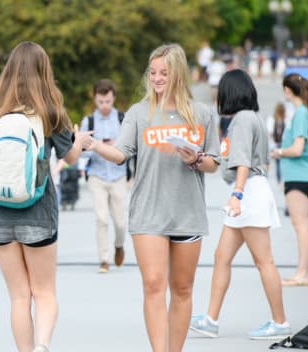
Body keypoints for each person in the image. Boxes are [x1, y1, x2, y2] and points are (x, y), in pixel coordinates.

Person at [85, 43, 220, 352]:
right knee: (154, 285)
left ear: (178, 74)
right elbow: (120, 154)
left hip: (188, 214)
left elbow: (214, 162)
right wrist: (92, 145)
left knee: (183, 289)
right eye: (153, 73)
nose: (157, 78)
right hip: (148, 214)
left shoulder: (200, 114)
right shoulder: (138, 113)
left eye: (164, 73)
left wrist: (195, 160)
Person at [0, 41, 91, 352]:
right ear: (44, 71)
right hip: (37, 212)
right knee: (43, 291)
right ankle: (42, 346)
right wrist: (79, 140)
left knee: (18, 295)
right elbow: (69, 158)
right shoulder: (50, 111)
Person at [189, 69, 290, 340]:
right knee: (221, 257)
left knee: (263, 261)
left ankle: (280, 321)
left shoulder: (243, 120)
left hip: (247, 193)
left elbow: (243, 161)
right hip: (248, 192)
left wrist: (238, 194)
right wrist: (198, 159)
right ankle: (211, 318)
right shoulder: (250, 118)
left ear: (229, 93)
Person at [270, 73, 308, 287]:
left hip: (299, 174)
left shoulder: (301, 113)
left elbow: (298, 148)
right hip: (298, 175)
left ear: (288, 90)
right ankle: (301, 272)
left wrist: (279, 152)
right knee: (299, 224)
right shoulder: (303, 112)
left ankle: (302, 273)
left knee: (300, 225)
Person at [80, 79, 128, 273]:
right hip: (97, 175)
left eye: (108, 101)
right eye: (101, 102)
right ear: (95, 100)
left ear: (113, 98)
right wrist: (97, 146)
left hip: (118, 175)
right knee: (101, 218)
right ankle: (104, 259)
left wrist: (113, 146)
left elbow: (129, 149)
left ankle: (119, 245)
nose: (104, 106)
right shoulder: (88, 121)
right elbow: (81, 152)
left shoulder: (123, 119)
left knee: (120, 222)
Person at [269, 102, 286, 183]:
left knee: (279, 162)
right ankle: (280, 179)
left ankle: (279, 179)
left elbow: (270, 132)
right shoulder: (274, 119)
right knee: (279, 162)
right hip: (279, 144)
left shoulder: (274, 119)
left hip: (279, 144)